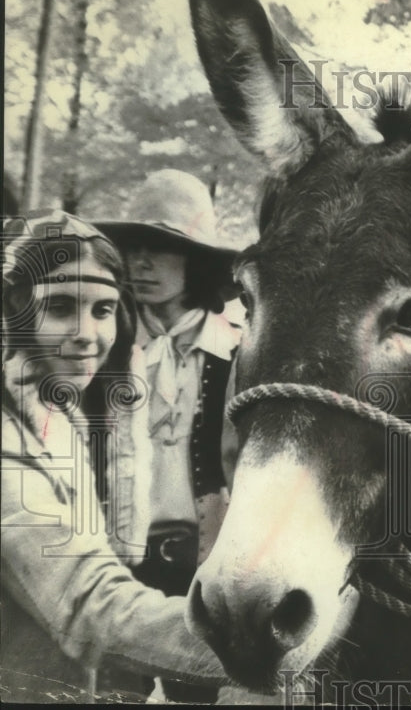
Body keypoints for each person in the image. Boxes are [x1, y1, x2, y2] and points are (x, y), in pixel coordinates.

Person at [1, 210, 227, 702]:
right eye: (60, 306)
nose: (87, 333)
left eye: (103, 309)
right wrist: (264, 644)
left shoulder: (62, 414)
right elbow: (87, 605)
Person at [96, 169, 240, 702]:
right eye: (133, 249)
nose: (141, 263)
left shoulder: (239, 350)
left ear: (196, 259)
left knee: (196, 688)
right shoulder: (101, 346)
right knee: (114, 691)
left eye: (160, 248)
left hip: (209, 558)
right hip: (114, 557)